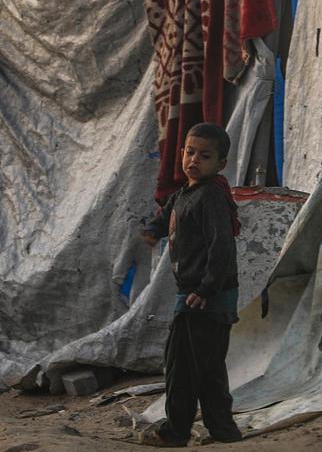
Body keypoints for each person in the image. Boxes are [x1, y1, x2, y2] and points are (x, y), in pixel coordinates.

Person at [139, 122, 243, 447]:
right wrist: (154, 230)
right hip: (195, 297)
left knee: (188, 368)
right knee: (198, 367)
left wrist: (207, 289)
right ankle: (220, 431)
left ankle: (179, 431)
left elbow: (222, 247)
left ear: (220, 164)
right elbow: (167, 213)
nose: (194, 159)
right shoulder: (186, 193)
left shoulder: (211, 197)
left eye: (205, 155)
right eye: (189, 151)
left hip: (206, 299)